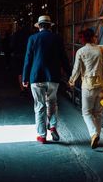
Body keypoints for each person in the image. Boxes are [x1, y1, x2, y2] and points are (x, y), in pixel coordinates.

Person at [22, 15, 71, 144]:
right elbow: (63, 58)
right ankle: (53, 125)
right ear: (50, 26)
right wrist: (70, 74)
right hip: (53, 77)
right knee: (52, 102)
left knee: (39, 106)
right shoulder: (57, 38)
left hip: (36, 77)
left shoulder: (32, 38)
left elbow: (28, 59)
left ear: (39, 26)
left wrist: (25, 77)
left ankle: (42, 136)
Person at [68, 28, 103, 149]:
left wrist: (71, 81)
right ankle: (97, 136)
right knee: (98, 113)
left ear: (83, 38)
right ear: (93, 37)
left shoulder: (81, 51)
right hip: (102, 86)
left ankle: (93, 134)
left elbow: (76, 69)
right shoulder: (101, 49)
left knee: (86, 112)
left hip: (88, 86)